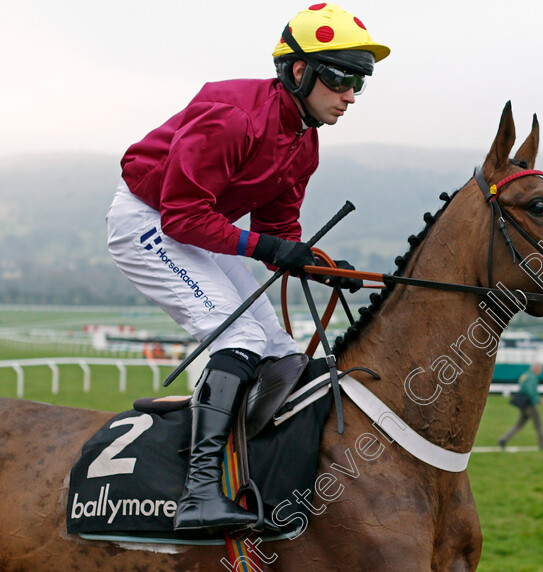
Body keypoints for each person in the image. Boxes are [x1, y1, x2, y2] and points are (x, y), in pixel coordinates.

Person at [105, 3, 389, 532]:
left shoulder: (306, 142)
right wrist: (270, 250)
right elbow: (182, 215)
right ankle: (197, 494)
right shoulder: (233, 114)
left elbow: (278, 233)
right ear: (299, 71)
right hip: (150, 221)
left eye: (360, 83)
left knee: (282, 355)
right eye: (341, 77)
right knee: (239, 342)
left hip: (197, 227)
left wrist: (321, 267)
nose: (350, 95)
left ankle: (258, 481)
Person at [498, 363, 543, 450]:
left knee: (519, 425)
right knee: (539, 425)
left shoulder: (524, 375)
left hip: (524, 404)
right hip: (530, 404)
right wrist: (538, 400)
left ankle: (504, 439)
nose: (541, 371)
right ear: (536, 368)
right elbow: (530, 391)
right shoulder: (532, 377)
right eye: (541, 369)